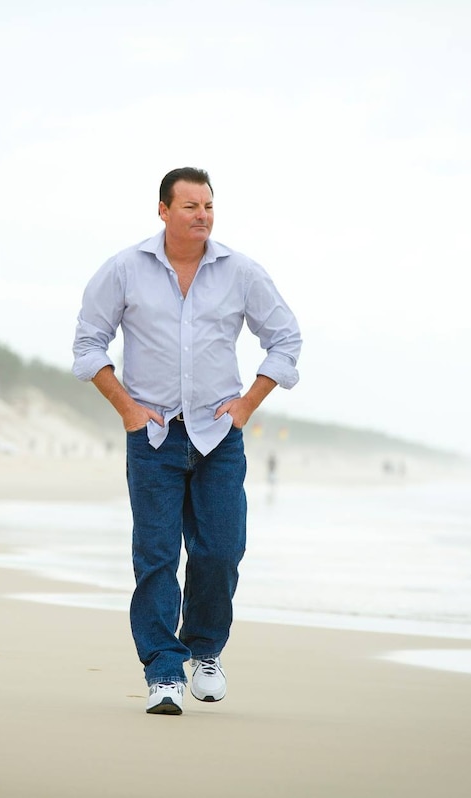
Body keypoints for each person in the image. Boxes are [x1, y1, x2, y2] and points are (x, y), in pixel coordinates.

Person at [72, 167, 302, 715]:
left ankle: (204, 651)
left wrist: (247, 404)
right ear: (163, 210)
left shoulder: (240, 272)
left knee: (220, 551)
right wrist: (127, 409)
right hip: (152, 436)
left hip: (219, 435)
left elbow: (285, 338)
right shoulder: (125, 269)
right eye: (190, 205)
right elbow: (88, 343)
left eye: (209, 206)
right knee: (155, 557)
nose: (202, 215)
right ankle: (163, 671)